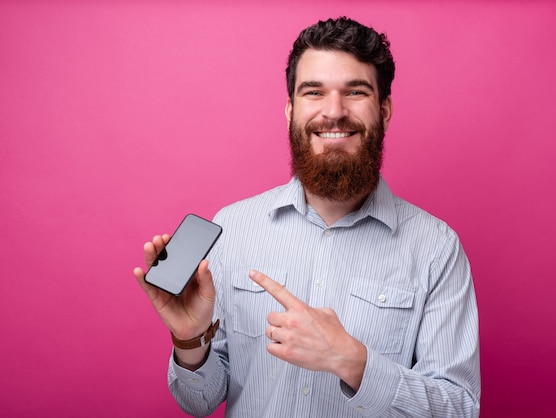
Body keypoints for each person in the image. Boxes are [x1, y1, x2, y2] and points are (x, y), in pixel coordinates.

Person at [134, 17, 480, 417]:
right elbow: (199, 401)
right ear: (290, 110)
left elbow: (460, 408)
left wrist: (353, 361)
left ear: (383, 111)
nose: (334, 112)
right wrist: (190, 341)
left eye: (355, 91)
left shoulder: (437, 249)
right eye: (314, 92)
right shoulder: (234, 229)